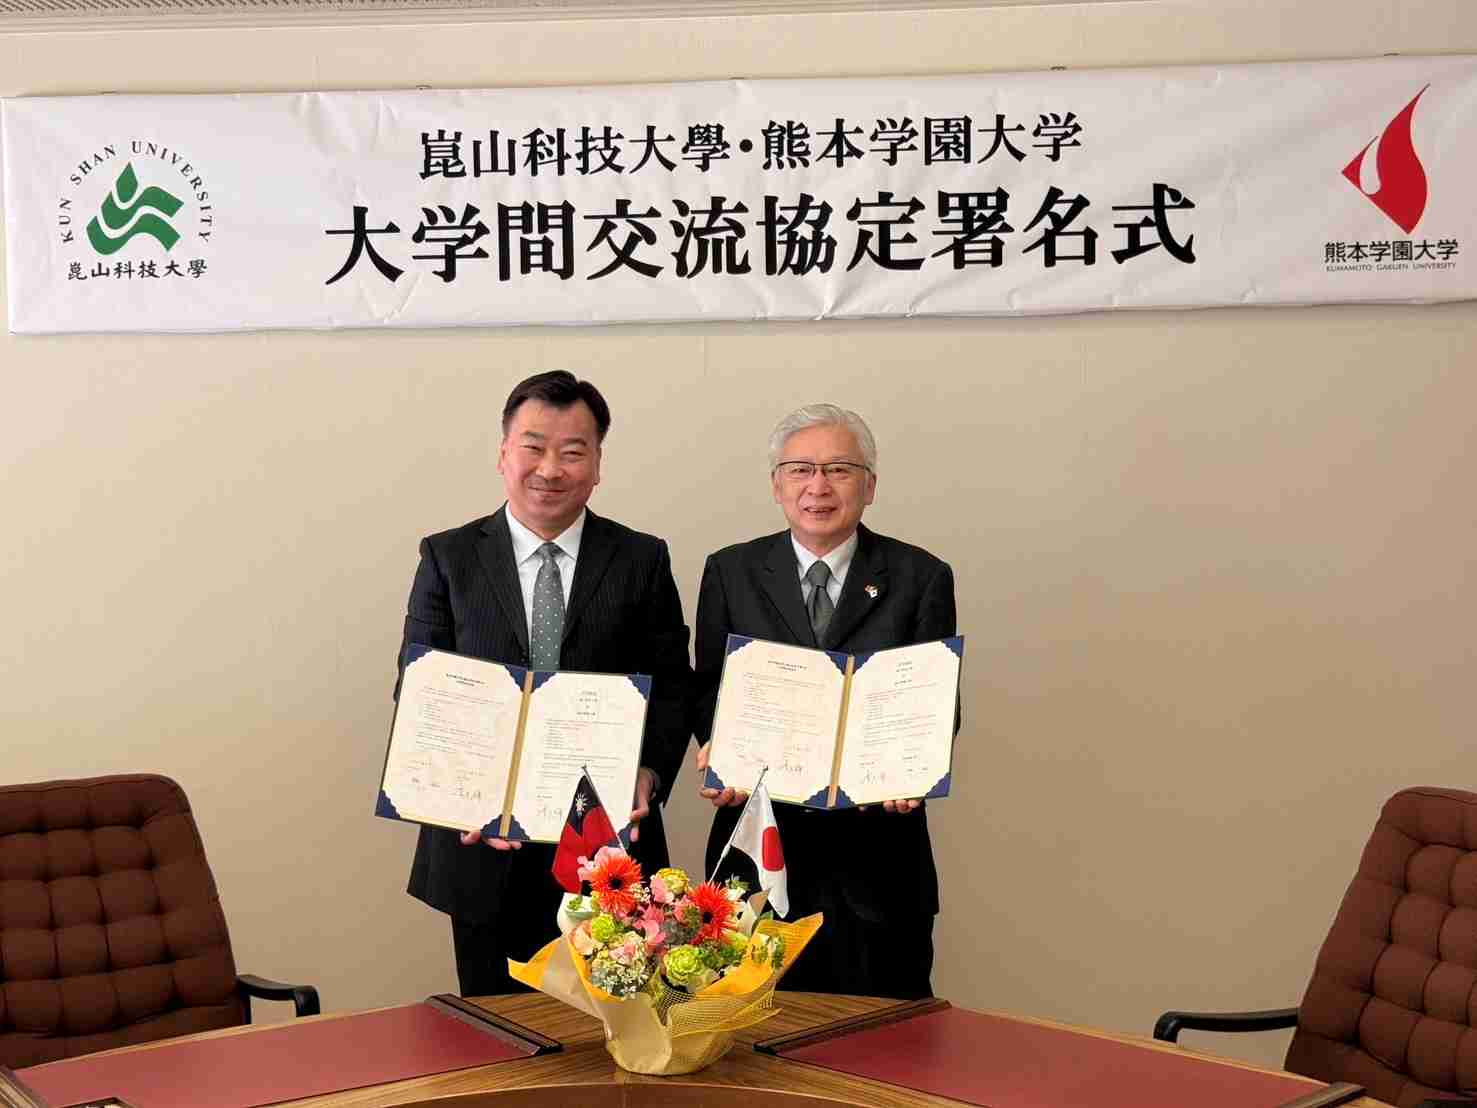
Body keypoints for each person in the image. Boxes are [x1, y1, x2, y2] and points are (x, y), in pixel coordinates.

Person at [395, 370, 691, 996]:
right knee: (498, 1032)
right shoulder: (448, 558)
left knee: (616, 1024)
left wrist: (649, 772)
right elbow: (420, 691)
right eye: (533, 447)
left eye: (573, 451)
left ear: (598, 464)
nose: (550, 469)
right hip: (483, 844)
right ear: (503, 453)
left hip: (607, 844)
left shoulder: (641, 560)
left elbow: (670, 686)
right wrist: (459, 793)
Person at [693, 403, 957, 1000]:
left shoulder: (920, 577)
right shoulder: (731, 571)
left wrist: (914, 768)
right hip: (758, 857)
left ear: (870, 486)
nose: (818, 486)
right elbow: (709, 686)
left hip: (878, 865)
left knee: (882, 1042)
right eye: (800, 470)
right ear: (776, 485)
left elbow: (938, 702)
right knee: (745, 1036)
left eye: (839, 469)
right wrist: (717, 750)